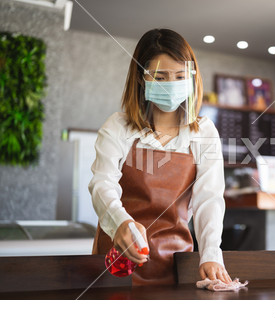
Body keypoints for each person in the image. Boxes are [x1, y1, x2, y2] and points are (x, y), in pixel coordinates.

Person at [89, 28, 232, 286]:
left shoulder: (203, 132)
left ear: (191, 78)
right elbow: (102, 184)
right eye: (161, 77)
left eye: (179, 76)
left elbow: (208, 199)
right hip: (117, 262)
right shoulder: (119, 127)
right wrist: (121, 224)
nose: (171, 84)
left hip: (176, 263)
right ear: (142, 78)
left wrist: (211, 254)